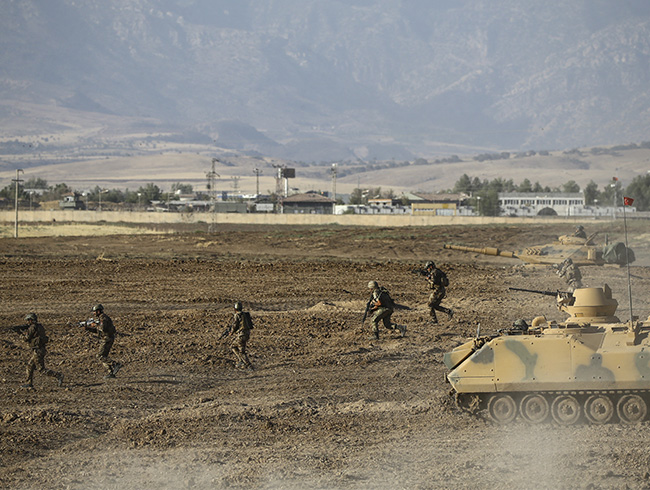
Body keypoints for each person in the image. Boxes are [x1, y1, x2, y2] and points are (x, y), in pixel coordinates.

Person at [21, 313, 64, 389]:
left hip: (38, 350)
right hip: (40, 349)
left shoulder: (33, 327)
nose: (27, 322)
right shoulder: (39, 326)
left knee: (41, 369)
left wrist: (21, 335)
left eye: (28, 320)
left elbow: (26, 338)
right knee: (30, 366)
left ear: (31, 320)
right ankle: (29, 383)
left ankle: (58, 375)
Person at [84, 304, 123, 378]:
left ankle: (115, 364)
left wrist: (94, 325)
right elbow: (98, 331)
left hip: (106, 339)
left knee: (100, 356)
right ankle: (111, 373)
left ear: (98, 311)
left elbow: (103, 328)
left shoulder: (103, 318)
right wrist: (88, 328)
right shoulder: (101, 318)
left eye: (94, 312)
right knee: (104, 357)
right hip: (106, 338)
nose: (93, 313)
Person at [222, 302, 254, 369]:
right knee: (241, 349)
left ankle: (247, 364)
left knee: (234, 347)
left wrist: (231, 332)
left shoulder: (237, 315)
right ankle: (242, 362)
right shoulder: (244, 315)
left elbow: (235, 325)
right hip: (246, 334)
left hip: (241, 335)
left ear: (235, 309)